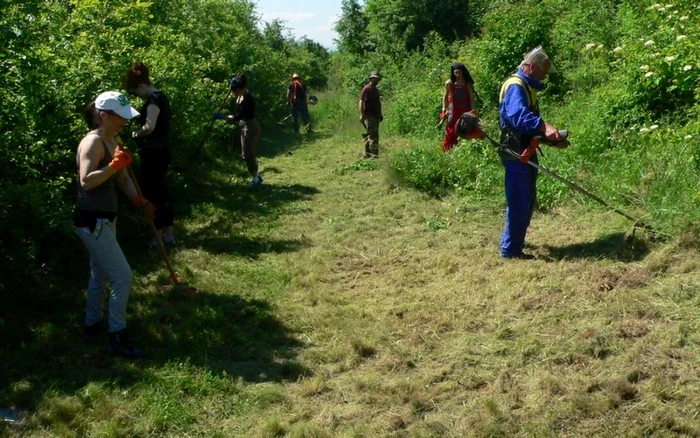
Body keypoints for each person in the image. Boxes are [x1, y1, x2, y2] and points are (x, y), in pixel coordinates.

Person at [74, 91, 154, 358]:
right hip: (91, 220)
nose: (124, 123)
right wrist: (113, 165)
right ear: (104, 116)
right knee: (123, 277)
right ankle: (117, 337)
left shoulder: (113, 140)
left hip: (107, 217)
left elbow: (122, 179)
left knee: (101, 275)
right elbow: (86, 180)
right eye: (120, 118)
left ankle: (92, 324)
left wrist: (140, 201)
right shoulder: (92, 143)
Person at [498, 46, 563, 259]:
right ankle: (511, 251)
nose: (544, 77)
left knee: (526, 199)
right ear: (532, 67)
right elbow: (518, 116)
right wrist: (545, 126)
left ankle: (515, 243)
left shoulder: (527, 87)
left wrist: (551, 140)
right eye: (543, 72)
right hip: (516, 152)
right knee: (519, 200)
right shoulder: (516, 86)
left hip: (525, 150)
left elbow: (528, 128)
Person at [125, 61, 175, 248]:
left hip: (153, 154)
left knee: (153, 196)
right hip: (162, 152)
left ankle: (158, 236)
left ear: (141, 85)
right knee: (163, 193)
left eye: (135, 92)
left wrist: (135, 134)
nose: (136, 96)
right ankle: (169, 235)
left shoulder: (153, 100)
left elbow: (149, 126)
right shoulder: (162, 96)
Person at [214, 74, 262, 187]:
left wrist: (223, 117)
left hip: (251, 126)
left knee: (248, 153)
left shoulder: (248, 99)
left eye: (235, 90)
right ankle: (256, 176)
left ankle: (256, 179)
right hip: (244, 125)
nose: (233, 92)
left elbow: (237, 117)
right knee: (245, 154)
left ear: (241, 88)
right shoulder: (240, 95)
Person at [441, 62, 477, 152]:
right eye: (456, 72)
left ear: (463, 72)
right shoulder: (449, 84)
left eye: (459, 72)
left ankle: (463, 151)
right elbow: (445, 98)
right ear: (453, 72)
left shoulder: (467, 84)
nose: (457, 75)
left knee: (465, 131)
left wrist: (473, 111)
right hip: (453, 111)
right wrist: (443, 110)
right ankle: (448, 151)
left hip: (465, 111)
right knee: (450, 132)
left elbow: (472, 99)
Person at [359, 71, 383, 158]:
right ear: (371, 79)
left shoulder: (375, 90)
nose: (376, 80)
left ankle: (368, 154)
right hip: (369, 115)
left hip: (375, 116)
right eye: (374, 79)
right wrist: (362, 115)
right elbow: (361, 102)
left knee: (369, 134)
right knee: (373, 136)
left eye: (377, 79)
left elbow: (377, 103)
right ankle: (374, 155)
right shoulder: (366, 89)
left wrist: (380, 114)